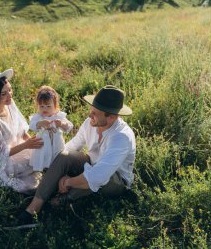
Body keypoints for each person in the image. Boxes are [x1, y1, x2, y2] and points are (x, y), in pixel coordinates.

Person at [9, 85, 136, 229]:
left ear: (111, 117)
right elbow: (73, 145)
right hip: (92, 164)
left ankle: (57, 202)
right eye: (91, 110)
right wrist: (57, 166)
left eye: (94, 113)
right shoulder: (91, 122)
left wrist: (69, 181)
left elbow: (99, 176)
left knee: (98, 178)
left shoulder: (121, 137)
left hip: (115, 179)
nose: (89, 116)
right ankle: (32, 209)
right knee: (64, 155)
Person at [0, 67, 44, 194]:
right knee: (31, 179)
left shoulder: (9, 105)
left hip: (19, 145)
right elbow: (0, 154)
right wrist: (26, 145)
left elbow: (21, 130)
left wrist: (31, 142)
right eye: (3, 94)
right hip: (6, 158)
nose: (9, 95)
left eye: (9, 90)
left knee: (42, 154)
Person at [29, 86, 73, 172]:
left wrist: (61, 124)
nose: (45, 109)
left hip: (56, 144)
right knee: (43, 158)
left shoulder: (59, 116)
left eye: (48, 106)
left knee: (56, 159)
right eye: (41, 106)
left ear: (55, 106)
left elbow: (69, 127)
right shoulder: (38, 117)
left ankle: (55, 171)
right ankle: (43, 170)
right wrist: (40, 124)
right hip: (43, 145)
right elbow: (32, 125)